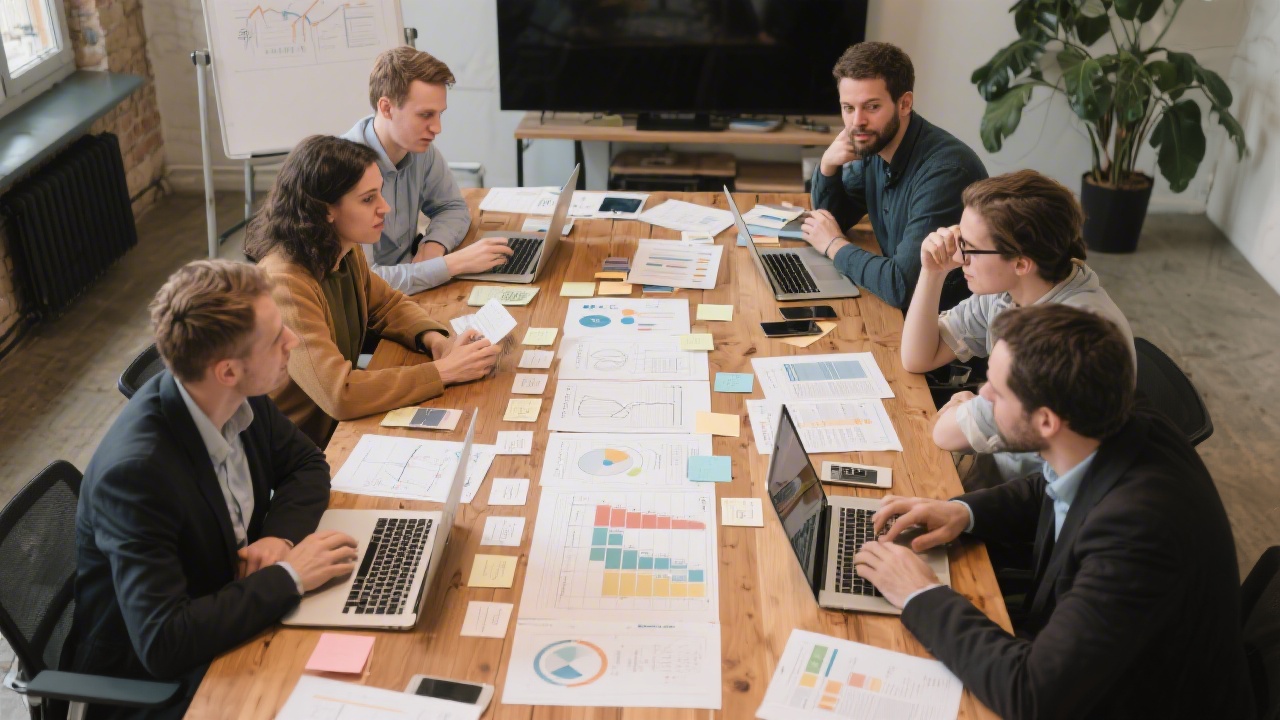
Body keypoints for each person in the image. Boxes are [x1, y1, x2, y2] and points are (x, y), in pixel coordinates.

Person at [854, 305, 1255, 719]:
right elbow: (1051, 484)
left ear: (1046, 421)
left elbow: (1033, 697)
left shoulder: (1137, 535)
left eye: (997, 390)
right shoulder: (1111, 414)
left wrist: (921, 593)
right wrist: (961, 511)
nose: (982, 397)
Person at [68, 260, 359, 719]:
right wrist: (289, 577)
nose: (293, 342)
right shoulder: (135, 476)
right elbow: (163, 641)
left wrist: (278, 540)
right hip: (167, 685)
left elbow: (305, 463)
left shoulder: (239, 395)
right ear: (227, 370)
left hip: (233, 607)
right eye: (276, 337)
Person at [245, 135, 500, 446]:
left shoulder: (341, 247)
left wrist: (437, 341)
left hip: (337, 425)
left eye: (380, 193)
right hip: (301, 445)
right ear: (327, 210)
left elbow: (387, 305)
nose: (385, 208)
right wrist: (443, 372)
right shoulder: (285, 282)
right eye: (368, 200)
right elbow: (339, 394)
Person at [900, 170, 1135, 484]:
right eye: (959, 239)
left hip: (1023, 495)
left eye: (968, 246)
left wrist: (967, 403)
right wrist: (933, 272)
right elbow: (918, 357)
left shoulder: (1057, 339)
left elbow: (945, 434)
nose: (958, 256)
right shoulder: (1015, 287)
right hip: (998, 469)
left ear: (1022, 262)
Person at [803, 41, 987, 310]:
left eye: (872, 107)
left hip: (945, 331)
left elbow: (902, 285)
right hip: (901, 312)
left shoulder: (945, 173)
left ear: (905, 104)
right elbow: (830, 221)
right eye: (848, 108)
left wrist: (834, 246)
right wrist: (828, 166)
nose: (857, 123)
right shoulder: (876, 148)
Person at [341, 46, 513, 295]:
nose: (437, 128)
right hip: (371, 309)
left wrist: (433, 246)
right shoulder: (344, 170)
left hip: (412, 287)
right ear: (387, 108)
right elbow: (363, 282)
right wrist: (452, 264)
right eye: (425, 115)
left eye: (440, 114)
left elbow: (452, 208)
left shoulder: (420, 149)